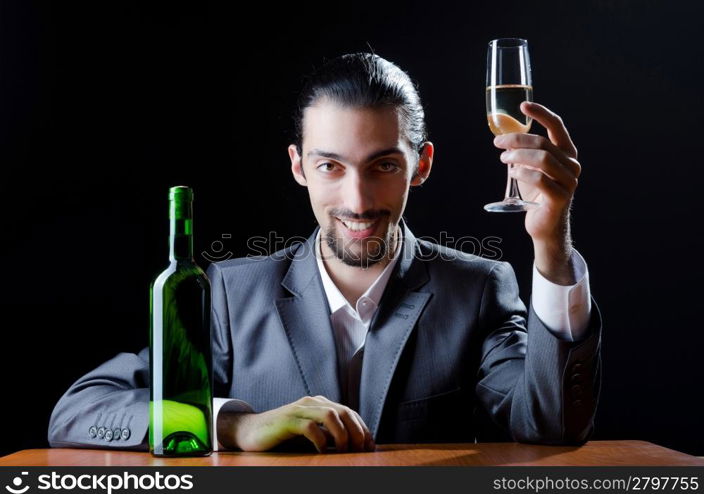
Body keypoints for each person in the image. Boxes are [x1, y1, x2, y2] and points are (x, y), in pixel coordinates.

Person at [48, 52, 601, 453]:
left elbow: (552, 425)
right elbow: (79, 410)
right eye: (330, 166)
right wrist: (234, 424)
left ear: (422, 164)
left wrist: (551, 245)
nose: (357, 201)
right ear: (297, 167)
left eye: (383, 165)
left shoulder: (478, 288)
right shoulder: (229, 293)